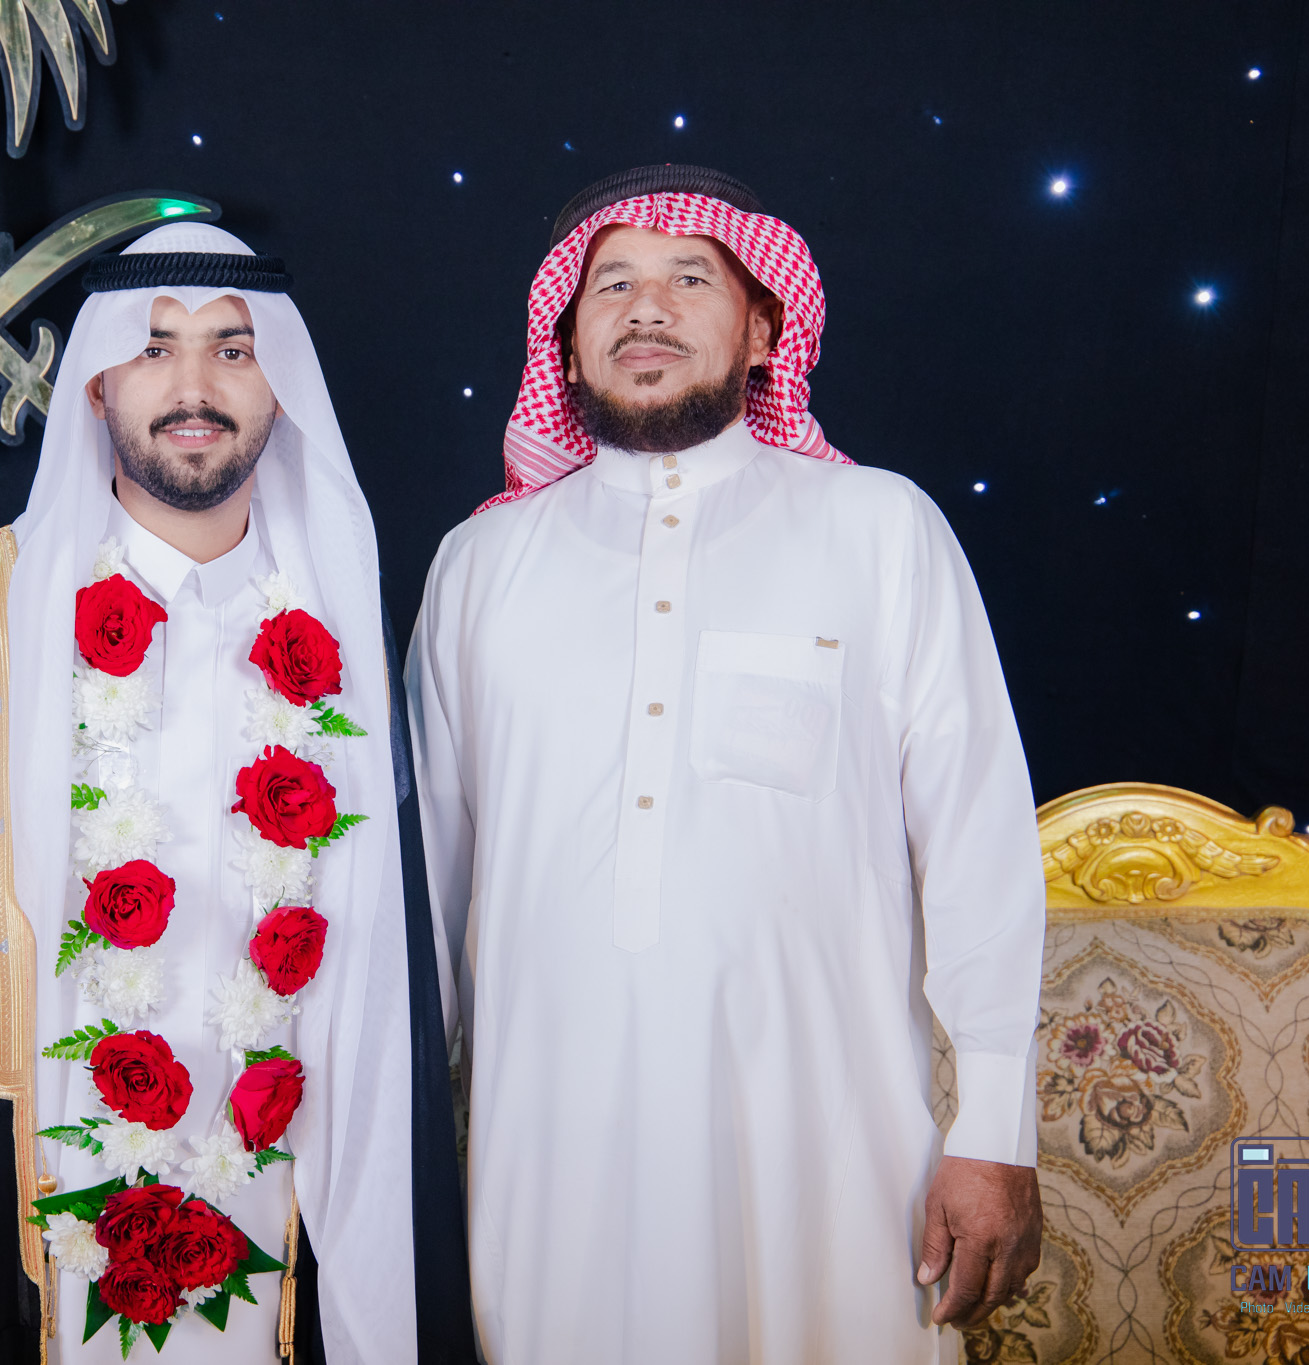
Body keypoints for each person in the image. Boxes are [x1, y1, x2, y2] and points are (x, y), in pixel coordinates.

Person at [0, 221, 472, 1363]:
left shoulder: (333, 629)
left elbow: (387, 964)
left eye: (233, 350)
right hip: (37, 1186)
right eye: (154, 349)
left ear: (280, 387)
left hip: (282, 1193)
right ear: (97, 384)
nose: (194, 387)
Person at [405, 165, 1046, 1363]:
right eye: (611, 284)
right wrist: (388, 1152)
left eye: (689, 278)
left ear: (762, 329)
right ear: (565, 336)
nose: (645, 309)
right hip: (551, 1147)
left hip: (827, 1145)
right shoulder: (478, 569)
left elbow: (977, 837)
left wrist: (996, 1130)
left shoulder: (879, 530)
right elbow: (428, 893)